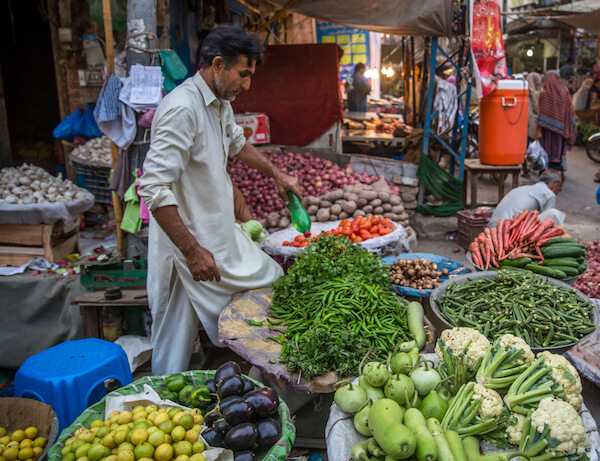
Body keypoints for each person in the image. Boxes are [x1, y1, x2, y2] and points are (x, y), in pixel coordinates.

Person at [137, 25, 302, 375]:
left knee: (264, 287)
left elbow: (237, 143)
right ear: (217, 64)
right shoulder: (182, 109)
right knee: (172, 334)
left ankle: (261, 376)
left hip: (216, 236)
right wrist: (192, 250)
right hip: (186, 243)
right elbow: (152, 188)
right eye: (243, 74)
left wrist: (277, 174)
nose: (247, 85)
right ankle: (166, 401)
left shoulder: (219, 104)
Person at [488, 170, 564, 229]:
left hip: (492, 226)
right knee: (554, 214)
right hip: (507, 230)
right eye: (559, 190)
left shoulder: (524, 188)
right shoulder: (549, 194)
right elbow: (549, 222)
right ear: (556, 185)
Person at [535, 71, 576, 176]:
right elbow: (569, 111)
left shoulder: (544, 93)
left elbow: (541, 115)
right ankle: (557, 180)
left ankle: (544, 179)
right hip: (560, 131)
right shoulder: (565, 92)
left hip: (546, 132)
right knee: (557, 157)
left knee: (545, 157)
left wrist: (538, 131)